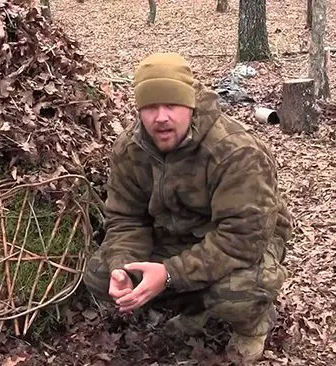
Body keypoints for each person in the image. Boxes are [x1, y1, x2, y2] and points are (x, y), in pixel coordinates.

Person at [83, 52, 293, 363]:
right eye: (151, 107)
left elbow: (242, 239)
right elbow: (126, 220)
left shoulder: (235, 151)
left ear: (191, 104)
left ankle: (254, 324)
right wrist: (122, 265)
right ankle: (194, 307)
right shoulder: (129, 149)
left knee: (238, 293)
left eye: (171, 105)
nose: (161, 117)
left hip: (242, 243)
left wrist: (169, 274)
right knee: (100, 274)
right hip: (172, 236)